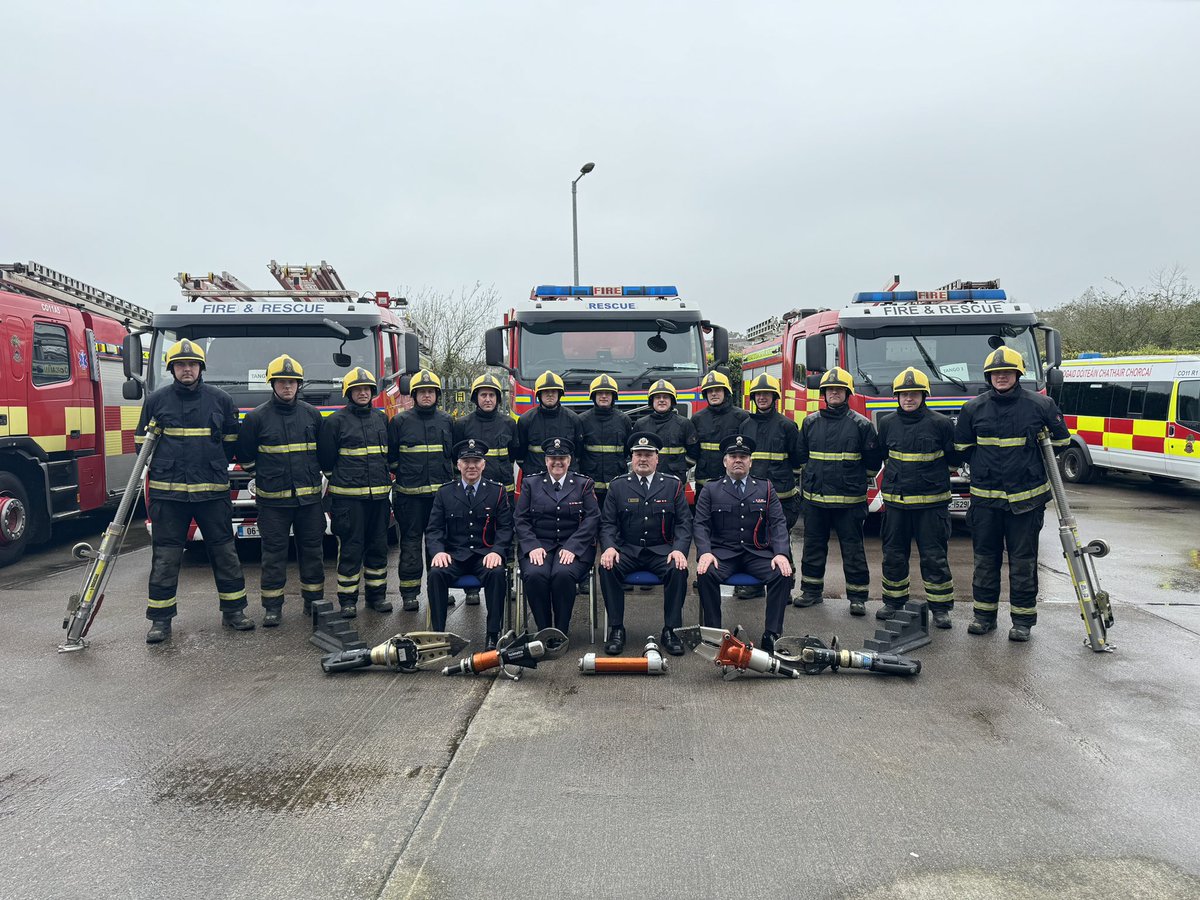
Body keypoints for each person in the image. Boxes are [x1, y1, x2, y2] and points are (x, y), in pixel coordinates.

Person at [954, 347, 1071, 642]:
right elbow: (962, 449)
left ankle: (1022, 622)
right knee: (985, 561)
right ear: (989, 376)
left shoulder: (1041, 405)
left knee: (1023, 563)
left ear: (1018, 375)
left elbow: (1062, 439)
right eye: (996, 373)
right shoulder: (973, 409)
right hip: (985, 503)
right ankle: (983, 617)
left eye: (1007, 372)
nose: (1001, 377)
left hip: (1026, 502)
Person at [137, 339, 250, 643]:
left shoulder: (221, 400)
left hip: (212, 494)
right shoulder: (156, 401)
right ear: (172, 368)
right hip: (168, 496)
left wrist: (209, 466)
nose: (187, 369)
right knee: (165, 558)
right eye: (181, 365)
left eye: (192, 364)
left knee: (225, 552)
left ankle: (234, 611)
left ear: (201, 368)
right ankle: (160, 621)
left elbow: (230, 445)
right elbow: (141, 445)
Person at [237, 354, 326, 627]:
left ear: (299, 385)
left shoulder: (312, 415)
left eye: (292, 382)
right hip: (273, 503)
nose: (287, 387)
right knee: (273, 555)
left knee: (312, 552)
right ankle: (272, 608)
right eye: (281, 382)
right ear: (272, 384)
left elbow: (323, 454)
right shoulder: (256, 418)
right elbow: (246, 458)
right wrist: (268, 477)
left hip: (309, 501)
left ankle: (314, 603)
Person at [876, 367, 960, 628]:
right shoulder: (887, 423)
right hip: (896, 504)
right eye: (903, 394)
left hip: (931, 505)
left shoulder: (941, 424)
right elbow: (881, 455)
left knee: (934, 557)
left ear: (924, 396)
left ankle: (941, 608)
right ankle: (893, 602)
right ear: (897, 397)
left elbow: (954, 460)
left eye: (914, 394)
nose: (908, 398)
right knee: (893, 555)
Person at [795, 367, 882, 617]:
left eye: (839, 389)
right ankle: (811, 592)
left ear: (847, 393)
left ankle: (857, 598)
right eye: (830, 389)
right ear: (824, 393)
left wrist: (850, 481)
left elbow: (873, 463)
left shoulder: (862, 425)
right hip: (815, 500)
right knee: (813, 547)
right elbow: (802, 457)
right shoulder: (810, 422)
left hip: (849, 502)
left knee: (853, 550)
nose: (834, 393)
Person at [692, 434, 793, 652]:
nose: (738, 460)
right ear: (725, 461)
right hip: (723, 555)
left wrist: (781, 553)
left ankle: (772, 635)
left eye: (743, 456)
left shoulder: (765, 488)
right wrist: (705, 552)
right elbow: (700, 524)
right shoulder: (711, 489)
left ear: (750, 462)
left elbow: (778, 523)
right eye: (733, 456)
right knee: (705, 573)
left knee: (782, 573)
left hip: (756, 554)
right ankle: (714, 634)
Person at [597, 432, 692, 656]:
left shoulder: (672, 486)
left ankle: (671, 630)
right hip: (628, 550)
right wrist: (609, 547)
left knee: (678, 569)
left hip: (661, 551)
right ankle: (616, 629)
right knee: (607, 567)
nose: (643, 459)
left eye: (648, 455)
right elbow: (608, 523)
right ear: (631, 458)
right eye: (638, 454)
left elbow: (684, 524)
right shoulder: (618, 486)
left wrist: (679, 550)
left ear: (657, 458)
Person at [317, 367, 392, 619]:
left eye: (367, 389)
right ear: (348, 392)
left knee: (378, 547)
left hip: (379, 499)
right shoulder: (335, 422)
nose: (363, 393)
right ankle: (348, 600)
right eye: (357, 389)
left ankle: (376, 597)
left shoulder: (381, 419)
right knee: (350, 549)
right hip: (348, 501)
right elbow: (326, 461)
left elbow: (388, 455)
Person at [426, 439, 513, 649]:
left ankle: (493, 635)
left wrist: (498, 552)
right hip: (455, 556)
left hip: (484, 556)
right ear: (458, 465)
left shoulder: (497, 492)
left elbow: (505, 528)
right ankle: (438, 637)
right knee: (436, 574)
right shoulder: (445, 492)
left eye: (476, 461)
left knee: (496, 573)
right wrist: (438, 552)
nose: (471, 466)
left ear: (483, 464)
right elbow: (434, 529)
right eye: (466, 461)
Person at [514, 437, 600, 633]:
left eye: (562, 457)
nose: (557, 462)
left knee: (562, 574)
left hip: (574, 546)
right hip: (539, 545)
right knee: (535, 575)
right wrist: (532, 546)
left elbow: (592, 518)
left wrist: (573, 547)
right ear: (546, 461)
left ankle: (560, 631)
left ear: (569, 460)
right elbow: (520, 519)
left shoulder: (583, 484)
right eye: (553, 457)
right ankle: (544, 630)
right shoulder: (531, 483)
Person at [388, 369, 454, 613]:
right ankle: (409, 593)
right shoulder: (399, 422)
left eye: (431, 392)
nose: (427, 396)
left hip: (440, 498)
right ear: (414, 395)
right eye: (422, 392)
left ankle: (439, 589)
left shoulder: (447, 421)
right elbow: (392, 458)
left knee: (439, 545)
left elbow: (453, 457)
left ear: (436, 395)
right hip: (409, 496)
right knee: (411, 544)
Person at [453, 372, 518, 606]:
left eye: (492, 395)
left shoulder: (510, 423)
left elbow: (516, 453)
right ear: (475, 398)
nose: (488, 399)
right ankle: (472, 590)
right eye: (483, 395)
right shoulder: (462, 425)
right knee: (473, 536)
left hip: (503, 492)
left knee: (505, 536)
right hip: (472, 494)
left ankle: (506, 582)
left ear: (498, 399)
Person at [740, 372, 804, 600]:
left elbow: (797, 460)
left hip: (782, 496)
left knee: (780, 540)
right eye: (759, 394)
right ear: (754, 398)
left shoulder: (787, 426)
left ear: (774, 397)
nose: (763, 398)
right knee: (754, 540)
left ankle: (783, 587)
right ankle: (756, 584)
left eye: (767, 394)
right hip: (751, 496)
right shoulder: (745, 425)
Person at [631, 379, 699, 490]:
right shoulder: (641, 424)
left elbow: (694, 452)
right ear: (651, 401)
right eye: (658, 397)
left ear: (672, 401)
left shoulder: (684, 424)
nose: (661, 400)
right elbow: (634, 452)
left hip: (675, 479)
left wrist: (679, 466)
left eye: (666, 397)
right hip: (647, 479)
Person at [578, 374, 632, 508]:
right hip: (590, 481)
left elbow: (627, 449)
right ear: (593, 396)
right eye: (600, 393)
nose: (604, 396)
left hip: (617, 479)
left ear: (614, 397)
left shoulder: (623, 420)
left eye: (608, 393)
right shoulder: (582, 420)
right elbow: (578, 451)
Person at [516, 370, 583, 478]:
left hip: (566, 477)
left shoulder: (573, 419)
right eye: (546, 391)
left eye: (554, 391)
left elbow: (579, 452)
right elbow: (520, 454)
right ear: (539, 395)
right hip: (535, 477)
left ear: (559, 394)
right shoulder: (526, 420)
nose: (550, 395)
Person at [691, 370, 749, 495]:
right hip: (704, 482)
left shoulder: (742, 417)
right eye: (710, 391)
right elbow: (693, 451)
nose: (713, 394)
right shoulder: (697, 418)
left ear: (726, 392)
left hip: (733, 481)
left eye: (717, 390)